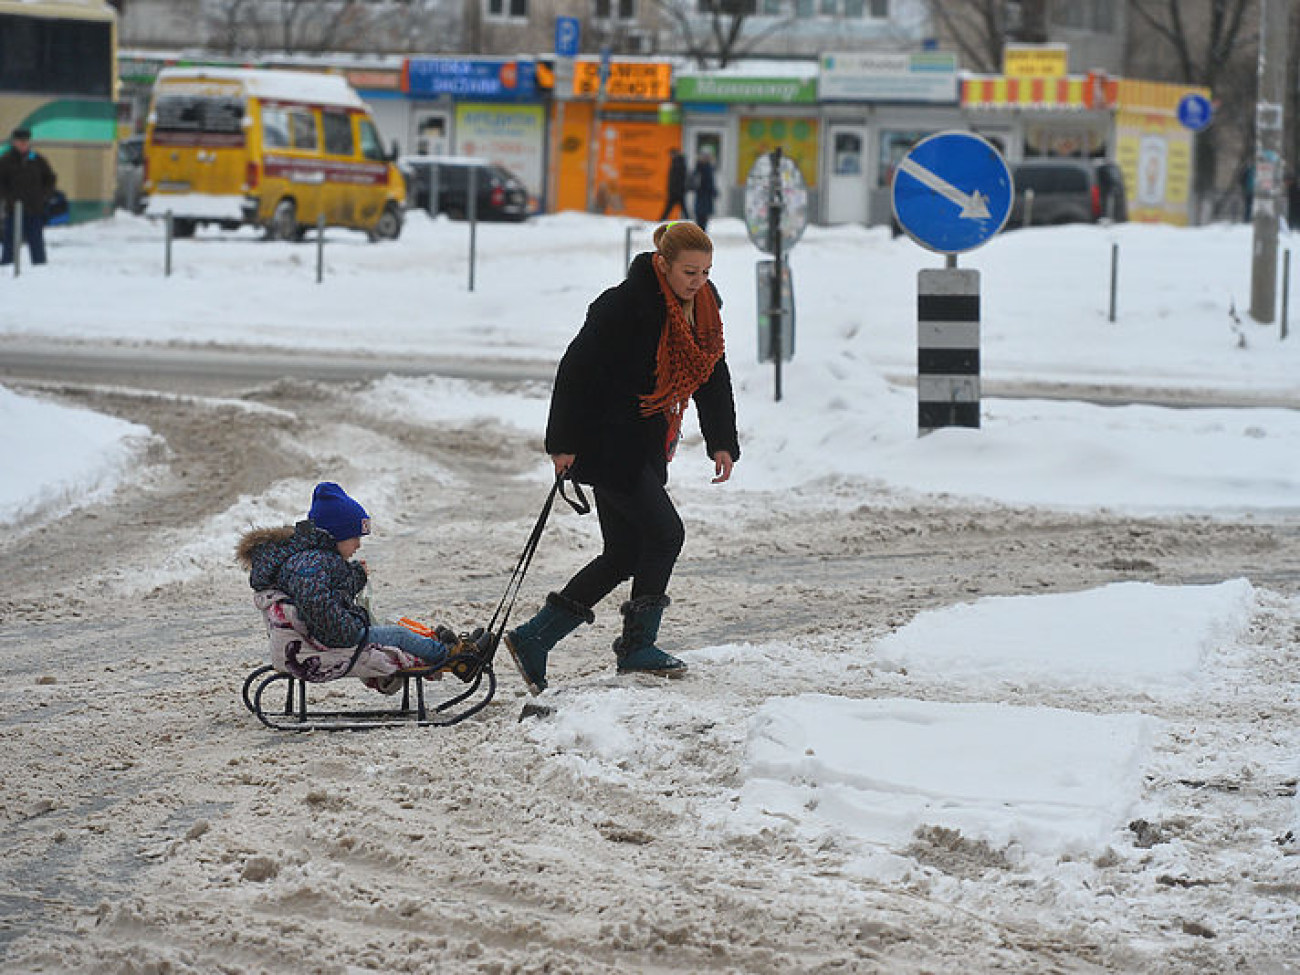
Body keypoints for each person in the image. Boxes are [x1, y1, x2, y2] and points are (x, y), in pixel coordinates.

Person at [505, 221, 741, 694]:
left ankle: (535, 638)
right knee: (665, 533)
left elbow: (712, 374)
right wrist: (563, 444)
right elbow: (575, 370)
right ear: (663, 264)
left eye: (706, 271)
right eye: (689, 271)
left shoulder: (705, 309)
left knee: (625, 551)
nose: (698, 281)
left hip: (649, 439)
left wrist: (721, 439)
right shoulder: (623, 305)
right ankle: (636, 648)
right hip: (608, 439)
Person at [236, 482, 452, 670]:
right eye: (354, 537)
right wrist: (352, 628)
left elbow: (330, 592)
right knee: (398, 635)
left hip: (326, 634)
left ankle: (435, 641)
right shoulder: (310, 564)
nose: (358, 544)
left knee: (394, 625)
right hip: (332, 641)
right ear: (334, 535)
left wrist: (355, 575)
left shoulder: (313, 560)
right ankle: (449, 656)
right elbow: (317, 603)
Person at [0, 127, 57, 266]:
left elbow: (50, 179)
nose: (23, 144)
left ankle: (40, 270)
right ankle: (7, 269)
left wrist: (44, 196)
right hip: (14, 210)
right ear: (14, 142)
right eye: (20, 141)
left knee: (36, 243)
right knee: (10, 243)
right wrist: (9, 198)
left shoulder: (37, 160)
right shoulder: (5, 161)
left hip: (35, 209)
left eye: (26, 141)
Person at [690, 151, 718, 232]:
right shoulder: (702, 167)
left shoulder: (706, 167)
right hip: (703, 193)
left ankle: (701, 229)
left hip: (704, 194)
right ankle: (701, 229)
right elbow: (708, 181)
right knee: (701, 213)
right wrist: (713, 191)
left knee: (703, 214)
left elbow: (710, 181)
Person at [658, 148, 688, 221]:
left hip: (676, 190)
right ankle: (688, 219)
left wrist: (673, 189)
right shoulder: (678, 162)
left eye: (671, 154)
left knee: (670, 207)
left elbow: (677, 178)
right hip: (677, 190)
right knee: (680, 207)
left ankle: (661, 220)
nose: (670, 156)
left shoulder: (678, 163)